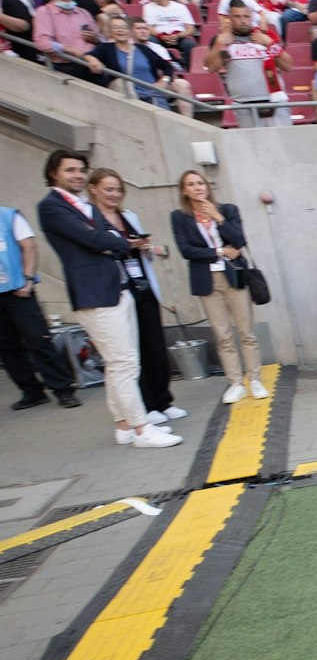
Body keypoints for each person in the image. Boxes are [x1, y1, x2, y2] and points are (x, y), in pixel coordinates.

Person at [36, 151, 181, 448]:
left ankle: (124, 426)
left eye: (80, 169)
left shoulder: (84, 206)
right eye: (70, 170)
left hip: (116, 288)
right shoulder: (51, 206)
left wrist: (112, 242)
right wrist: (114, 242)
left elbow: (109, 239)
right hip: (95, 293)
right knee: (125, 363)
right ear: (54, 174)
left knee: (120, 364)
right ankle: (142, 429)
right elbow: (99, 239)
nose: (77, 175)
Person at [88, 168, 184, 429]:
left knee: (155, 345)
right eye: (108, 189)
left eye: (118, 190)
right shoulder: (89, 220)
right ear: (93, 189)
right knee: (132, 351)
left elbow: (143, 251)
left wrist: (147, 248)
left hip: (143, 287)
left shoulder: (129, 216)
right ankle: (147, 405)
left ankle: (164, 401)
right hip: (117, 291)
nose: (114, 195)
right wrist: (123, 246)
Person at [171, 170, 266, 402]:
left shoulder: (228, 210)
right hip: (207, 280)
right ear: (184, 190)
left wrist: (218, 218)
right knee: (222, 334)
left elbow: (240, 241)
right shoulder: (179, 217)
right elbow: (186, 250)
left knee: (246, 331)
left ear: (208, 186)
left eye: (200, 183)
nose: (197, 188)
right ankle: (235, 382)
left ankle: (254, 379)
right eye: (191, 184)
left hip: (233, 276)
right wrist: (220, 251)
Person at [0, 202, 81, 412]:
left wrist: (27, 278)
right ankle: (32, 392)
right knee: (7, 346)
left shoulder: (9, 216)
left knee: (38, 339)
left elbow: (29, 246)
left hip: (18, 289)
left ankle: (63, 389)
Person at [205, 0, 292, 128]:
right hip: (243, 105)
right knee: (253, 145)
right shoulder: (223, 40)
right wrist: (219, 44)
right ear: (229, 18)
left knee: (284, 142)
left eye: (246, 16)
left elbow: (288, 65)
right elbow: (211, 67)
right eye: (238, 17)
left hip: (275, 100)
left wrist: (269, 43)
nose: (243, 20)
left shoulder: (265, 36)